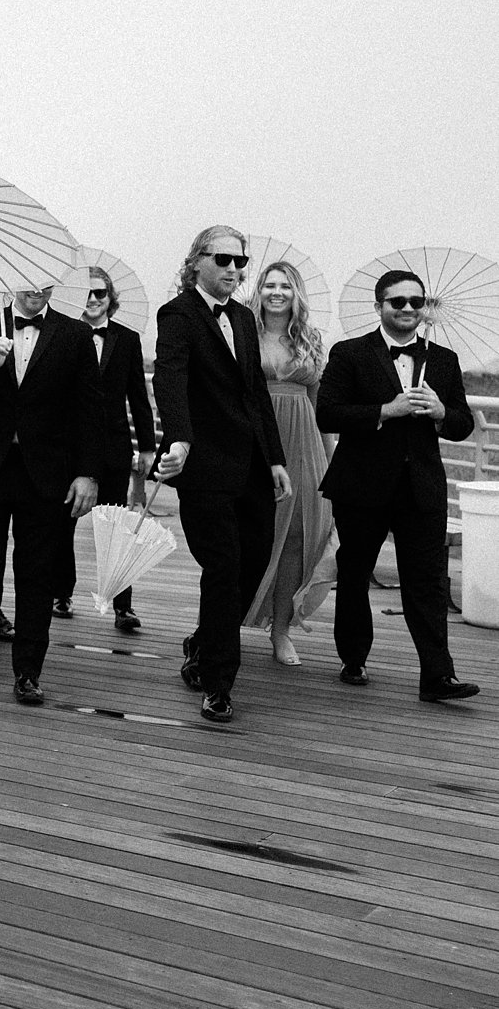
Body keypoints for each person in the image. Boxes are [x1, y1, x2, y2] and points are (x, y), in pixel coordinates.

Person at [316, 269, 479, 702]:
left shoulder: (443, 359)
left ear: (424, 308)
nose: (407, 309)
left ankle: (437, 676)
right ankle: (353, 658)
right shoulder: (349, 353)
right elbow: (327, 414)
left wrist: (442, 411)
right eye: (397, 302)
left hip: (422, 487)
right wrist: (386, 409)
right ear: (379, 307)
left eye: (415, 302)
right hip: (361, 485)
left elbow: (462, 425)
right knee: (354, 576)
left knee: (427, 583)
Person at [154, 226, 292, 722]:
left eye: (242, 262)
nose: (235, 270)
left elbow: (254, 390)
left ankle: (203, 641)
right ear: (197, 262)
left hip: (253, 466)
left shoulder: (242, 317)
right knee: (224, 571)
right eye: (225, 260)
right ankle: (217, 683)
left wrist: (275, 458)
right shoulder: (177, 314)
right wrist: (180, 440)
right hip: (205, 466)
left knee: (252, 566)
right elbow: (170, 380)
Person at [0, 284, 103, 703]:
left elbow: (91, 409)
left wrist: (88, 474)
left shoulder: (75, 335)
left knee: (37, 576)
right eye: (28, 280)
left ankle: (28, 670)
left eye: (44, 281)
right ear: (12, 280)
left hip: (47, 474)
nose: (35, 288)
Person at [243, 261, 337, 663]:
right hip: (254, 442)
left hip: (305, 444)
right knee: (244, 540)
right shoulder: (242, 334)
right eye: (269, 285)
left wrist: (332, 461)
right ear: (258, 291)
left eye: (285, 286)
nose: (276, 292)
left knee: (297, 540)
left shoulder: (311, 340)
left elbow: (321, 407)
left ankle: (280, 631)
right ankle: (218, 627)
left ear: (296, 293)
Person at [55, 267, 155, 630]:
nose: (93, 299)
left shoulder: (127, 340)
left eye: (100, 293)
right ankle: (61, 592)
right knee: (62, 524)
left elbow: (138, 397)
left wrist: (147, 447)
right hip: (69, 445)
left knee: (117, 526)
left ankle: (122, 605)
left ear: (111, 298)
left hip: (114, 446)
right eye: (86, 292)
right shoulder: (62, 336)